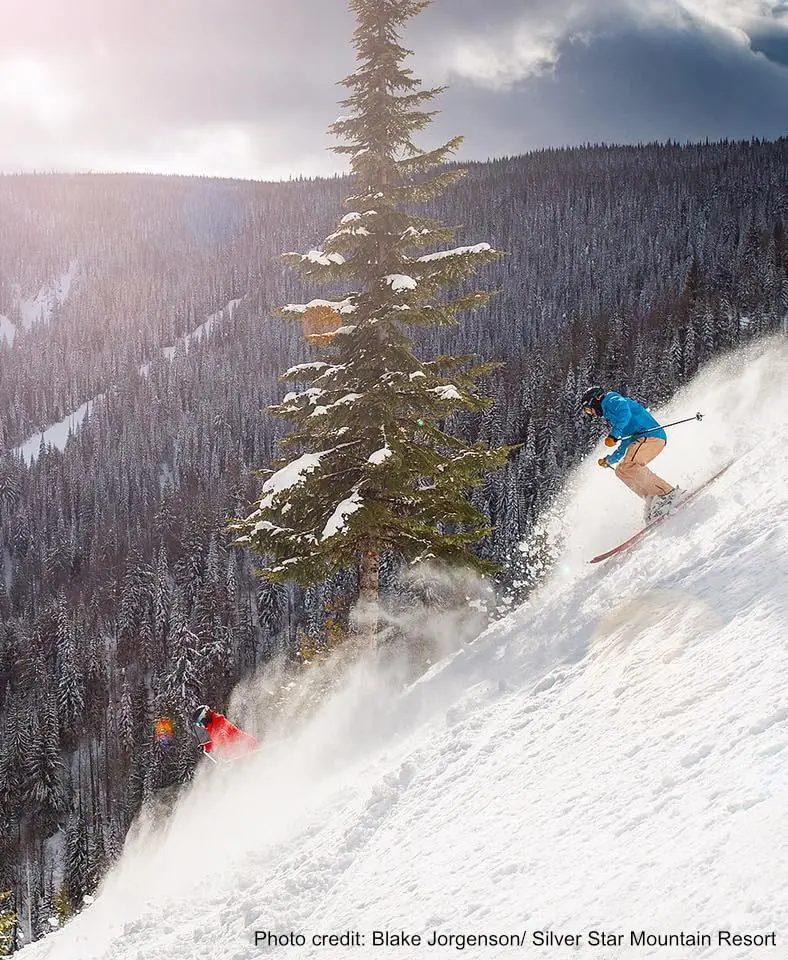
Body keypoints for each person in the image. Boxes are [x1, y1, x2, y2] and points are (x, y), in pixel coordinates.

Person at [579, 386, 682, 522]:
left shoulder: (612, 400)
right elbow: (626, 442)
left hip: (652, 436)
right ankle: (653, 498)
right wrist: (610, 459)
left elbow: (625, 412)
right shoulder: (613, 415)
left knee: (629, 465)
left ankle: (667, 493)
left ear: (596, 400)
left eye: (588, 409)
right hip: (643, 440)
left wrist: (614, 434)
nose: (591, 413)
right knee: (621, 470)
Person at [192, 705, 258, 760]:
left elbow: (228, 741)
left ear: (204, 716)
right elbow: (218, 742)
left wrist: (228, 759)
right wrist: (206, 746)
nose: (201, 726)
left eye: (200, 723)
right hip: (241, 753)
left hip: (248, 748)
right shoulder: (212, 726)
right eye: (198, 725)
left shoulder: (218, 722)